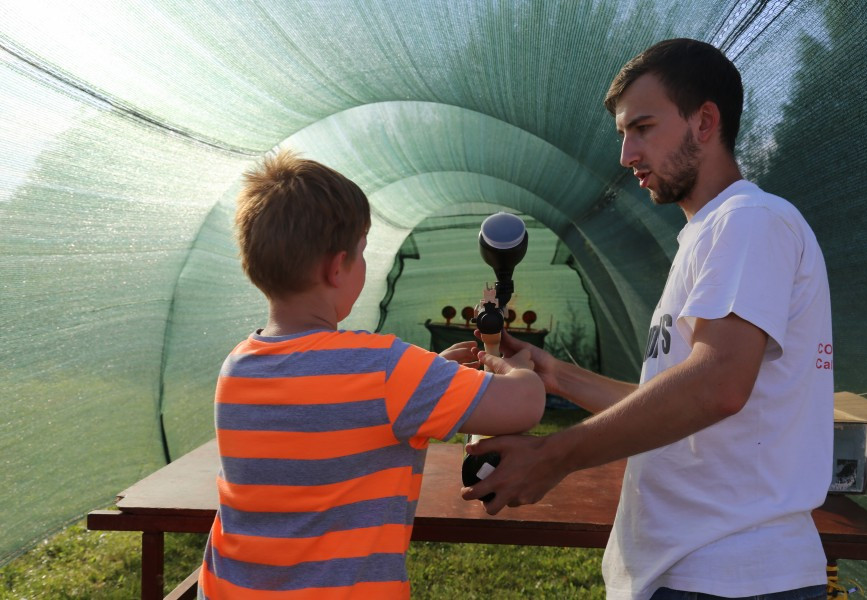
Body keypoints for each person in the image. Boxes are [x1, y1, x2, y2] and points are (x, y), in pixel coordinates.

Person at [462, 38, 833, 600]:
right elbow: (670, 402)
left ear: (705, 121)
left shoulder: (750, 221)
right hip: (686, 572)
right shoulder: (708, 235)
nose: (626, 154)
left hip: (728, 576)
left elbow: (717, 386)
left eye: (643, 127)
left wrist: (553, 454)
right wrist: (553, 374)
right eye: (623, 135)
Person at [197, 149, 545, 599]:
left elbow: (331, 410)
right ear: (335, 268)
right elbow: (524, 406)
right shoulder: (386, 371)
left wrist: (430, 373)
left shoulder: (238, 365)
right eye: (361, 253)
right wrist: (518, 369)